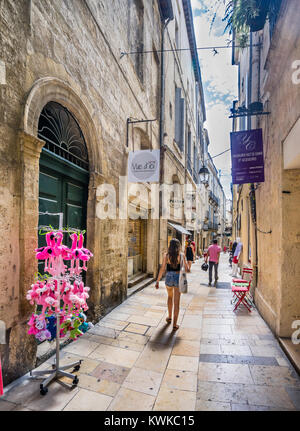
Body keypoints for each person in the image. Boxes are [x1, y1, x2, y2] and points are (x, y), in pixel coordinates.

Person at [155, 238, 188, 331]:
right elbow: (187, 268)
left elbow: (162, 268)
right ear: (178, 246)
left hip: (168, 277)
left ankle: (169, 317)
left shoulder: (167, 255)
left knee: (170, 297)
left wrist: (157, 280)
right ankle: (174, 324)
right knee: (176, 302)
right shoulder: (181, 255)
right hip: (178, 278)